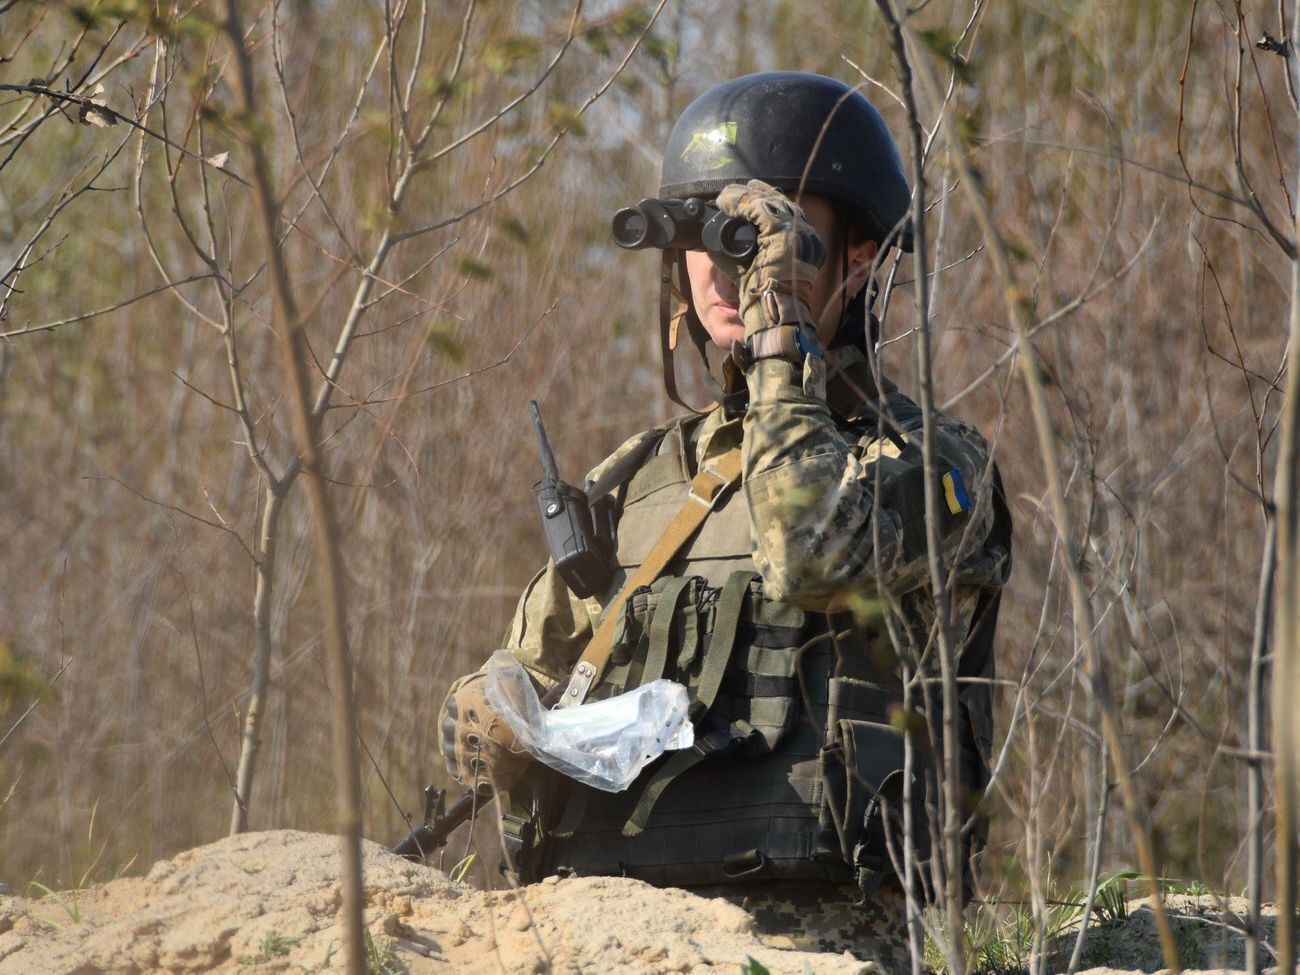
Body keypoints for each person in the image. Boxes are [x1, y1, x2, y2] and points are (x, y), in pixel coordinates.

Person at [438, 71, 1012, 970]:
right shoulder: (639, 479)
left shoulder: (931, 462)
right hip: (609, 939)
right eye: (705, 231)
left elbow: (809, 549)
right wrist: (487, 713)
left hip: (834, 944)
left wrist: (782, 330)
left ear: (859, 258)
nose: (728, 265)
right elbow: (520, 683)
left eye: (765, 232)